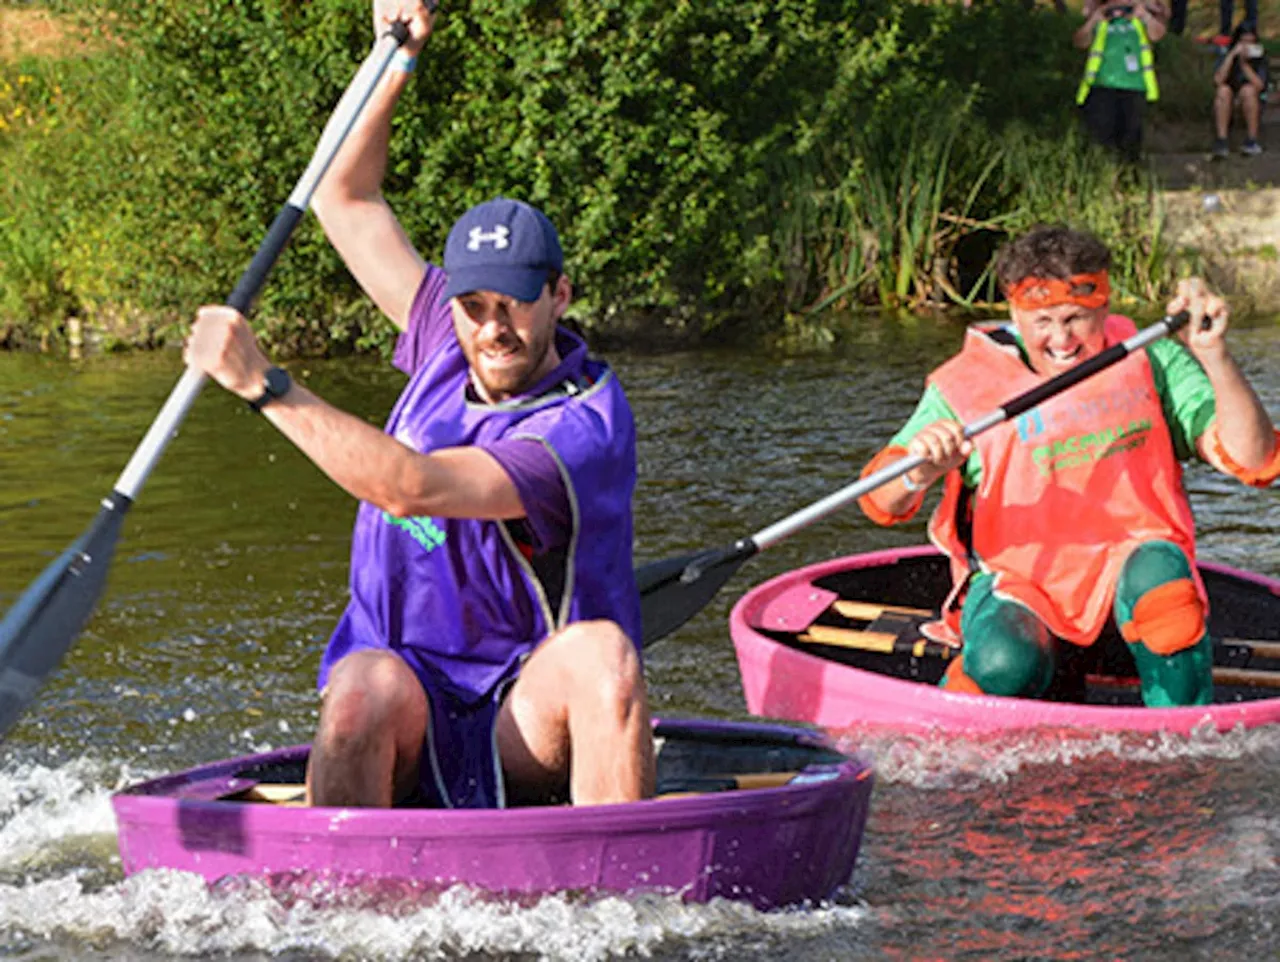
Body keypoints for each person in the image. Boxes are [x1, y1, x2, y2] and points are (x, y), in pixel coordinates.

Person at [183, 0, 655, 810]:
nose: (492, 328)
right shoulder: (446, 331)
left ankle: (612, 890)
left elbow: (413, 486)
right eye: (474, 306)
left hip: (524, 715)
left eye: (514, 305)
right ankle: (332, 900)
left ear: (560, 296)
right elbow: (343, 197)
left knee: (605, 658)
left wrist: (267, 384)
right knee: (361, 685)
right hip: (404, 694)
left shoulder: (582, 427)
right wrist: (390, 58)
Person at [857, 225, 1280, 707]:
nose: (1062, 340)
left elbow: (1256, 462)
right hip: (1023, 590)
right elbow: (878, 500)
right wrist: (920, 471)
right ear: (1014, 312)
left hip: (1133, 583)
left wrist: (1215, 357)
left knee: (1168, 604)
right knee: (1003, 663)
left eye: (1077, 318)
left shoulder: (1151, 356)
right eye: (1043, 322)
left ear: (1104, 305)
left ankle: (1185, 740)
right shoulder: (964, 385)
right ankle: (961, 704)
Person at [1074, 0, 1168, 162]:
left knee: (1130, 143)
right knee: (1102, 142)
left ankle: (1128, 181)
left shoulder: (1140, 15)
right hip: (1101, 86)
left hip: (1134, 86)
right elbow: (1080, 41)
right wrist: (1093, 20)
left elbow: (1157, 34)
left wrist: (1144, 15)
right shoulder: (1101, 15)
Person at [1211, 20, 1269, 157]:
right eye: (1243, 42)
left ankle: (1252, 140)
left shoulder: (1259, 57)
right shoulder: (1227, 54)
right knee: (1222, 91)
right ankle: (1222, 141)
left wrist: (1244, 65)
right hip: (1230, 96)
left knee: (1248, 91)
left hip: (1252, 99)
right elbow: (1218, 80)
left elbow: (1259, 85)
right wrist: (1232, 56)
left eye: (1250, 42)